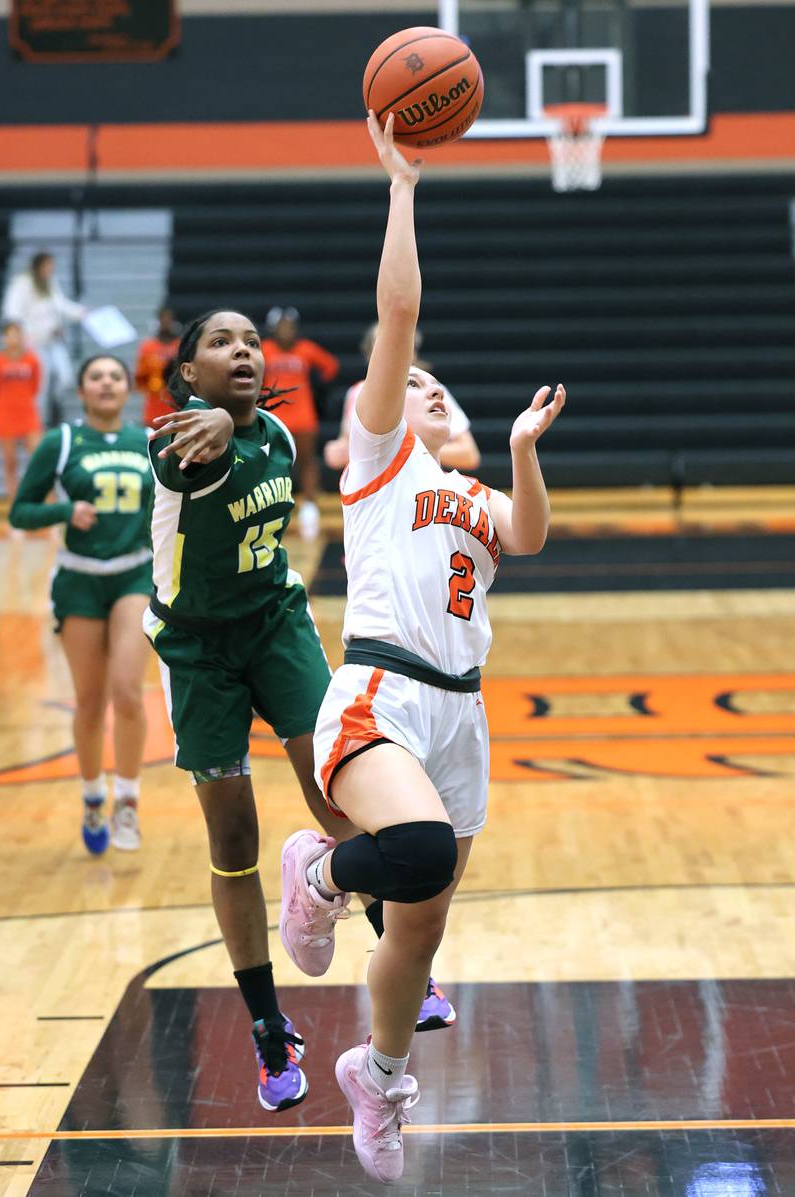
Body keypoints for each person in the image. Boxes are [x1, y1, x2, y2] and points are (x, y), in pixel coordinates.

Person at [278, 111, 565, 1184]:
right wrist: (400, 185)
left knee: (422, 932)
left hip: (460, 713)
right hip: (380, 697)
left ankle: (381, 1074)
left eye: (446, 391)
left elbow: (527, 536)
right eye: (416, 387)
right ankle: (317, 867)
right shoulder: (382, 458)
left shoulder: (475, 497)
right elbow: (397, 309)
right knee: (415, 859)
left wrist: (526, 452)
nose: (430, 393)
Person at [142, 308, 349, 1115]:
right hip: (198, 652)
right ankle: (269, 1030)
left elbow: (245, 442)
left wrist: (235, 430)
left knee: (337, 787)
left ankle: (383, 937)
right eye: (220, 343)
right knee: (233, 838)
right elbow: (199, 453)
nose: (242, 352)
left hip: (275, 624)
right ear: (187, 373)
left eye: (251, 343)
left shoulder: (282, 439)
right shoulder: (174, 450)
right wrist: (214, 432)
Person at [9, 355, 153, 854]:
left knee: (128, 691)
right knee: (90, 699)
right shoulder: (61, 441)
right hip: (79, 581)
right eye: (97, 376)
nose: (108, 382)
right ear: (82, 389)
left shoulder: (148, 442)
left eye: (116, 375)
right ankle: (93, 795)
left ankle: (128, 801)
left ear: (127, 387)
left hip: (135, 573)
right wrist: (66, 509)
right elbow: (21, 511)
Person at [324, 322, 480, 474]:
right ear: (370, 352)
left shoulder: (433, 390)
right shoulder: (357, 392)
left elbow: (469, 454)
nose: (393, 349)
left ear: (413, 351)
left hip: (421, 487)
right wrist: (338, 451)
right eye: (385, 343)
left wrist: (409, 449)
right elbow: (346, 445)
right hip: (376, 489)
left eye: (400, 342)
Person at [261, 306, 339, 540]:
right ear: (273, 328)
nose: (286, 330)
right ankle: (272, 505)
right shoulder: (264, 350)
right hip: (275, 418)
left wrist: (318, 387)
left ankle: (309, 506)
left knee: (307, 462)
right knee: (273, 464)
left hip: (304, 416)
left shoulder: (306, 349)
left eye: (290, 326)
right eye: (281, 326)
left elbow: (330, 366)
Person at [1, 251, 86, 427]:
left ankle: (55, 407)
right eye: (47, 266)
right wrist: (24, 336)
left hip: (53, 340)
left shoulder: (49, 282)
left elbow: (60, 304)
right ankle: (40, 423)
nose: (50, 270)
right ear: (38, 265)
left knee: (65, 376)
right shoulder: (22, 284)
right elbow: (13, 313)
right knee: (41, 384)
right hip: (33, 342)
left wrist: (81, 312)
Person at [0, 321, 43, 504]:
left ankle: (48, 509)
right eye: (10, 334)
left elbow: (35, 385)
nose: (13, 338)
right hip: (5, 415)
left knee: (39, 461)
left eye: (17, 334)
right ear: (4, 338)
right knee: (10, 465)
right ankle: (15, 513)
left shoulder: (32, 359)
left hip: (28, 415)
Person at [134, 306, 181, 426]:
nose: (165, 323)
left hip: (176, 401)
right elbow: (140, 377)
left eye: (168, 320)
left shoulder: (180, 346)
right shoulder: (148, 347)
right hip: (154, 402)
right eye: (162, 319)